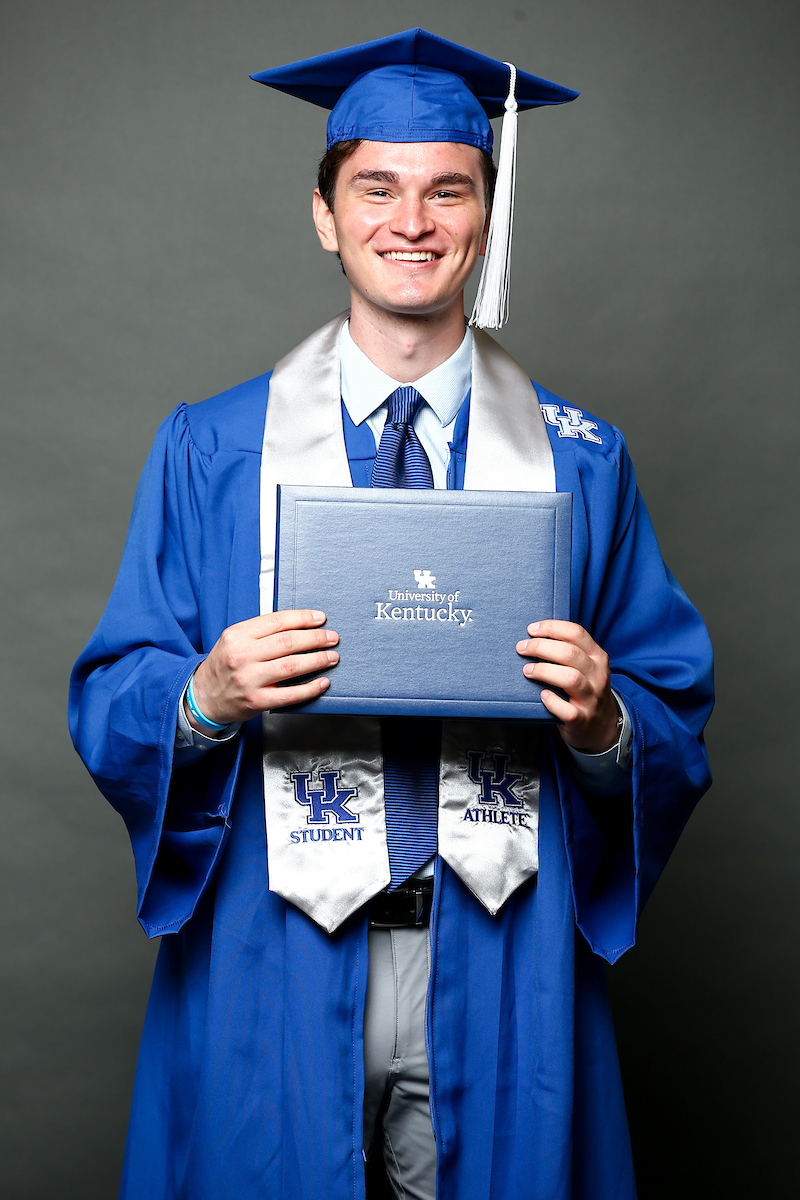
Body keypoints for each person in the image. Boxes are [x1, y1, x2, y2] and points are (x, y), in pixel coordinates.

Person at [69, 28, 713, 1200]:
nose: (409, 221)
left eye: (445, 191)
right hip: (273, 943)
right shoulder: (211, 448)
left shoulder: (580, 462)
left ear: (482, 216)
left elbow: (670, 711)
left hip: (502, 944)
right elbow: (113, 691)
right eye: (375, 187)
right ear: (324, 214)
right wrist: (203, 698)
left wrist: (602, 722)